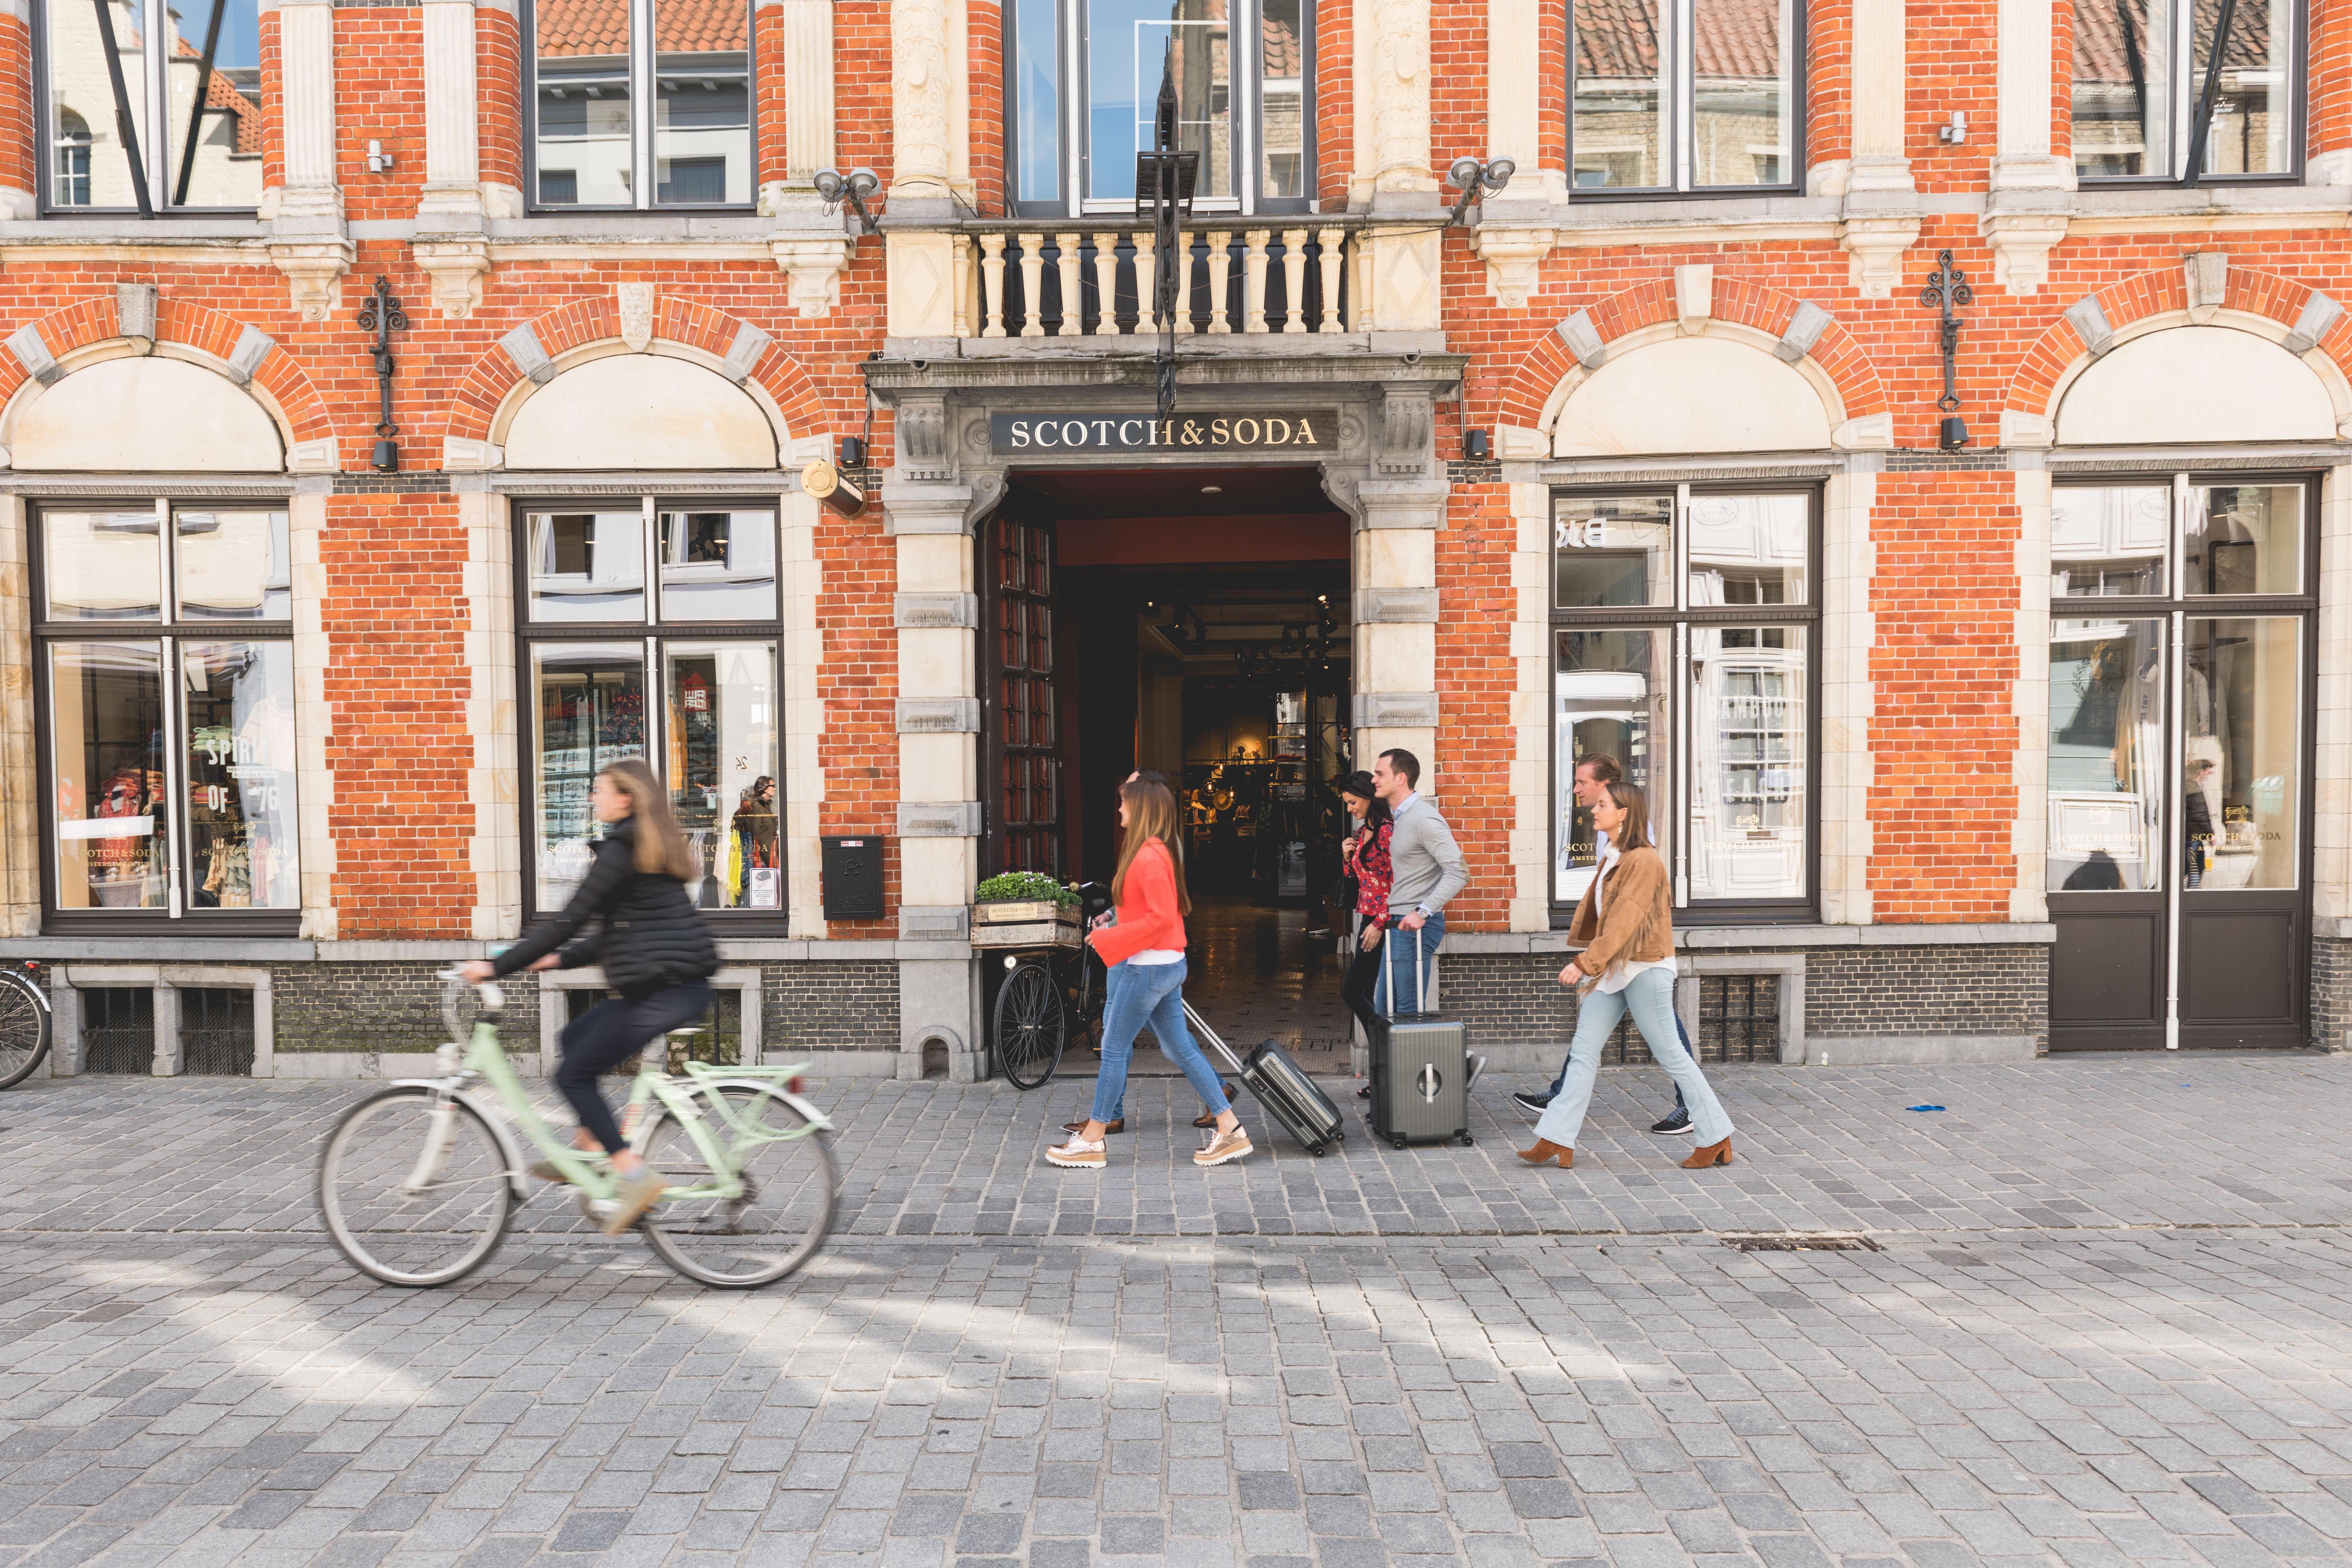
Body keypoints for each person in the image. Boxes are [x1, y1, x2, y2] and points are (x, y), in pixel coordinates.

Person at [459, 757, 719, 1235]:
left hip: (667, 991)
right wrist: (555, 961)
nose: (592, 798)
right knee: (574, 1035)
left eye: (599, 790)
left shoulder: (625, 846)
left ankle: (634, 1176)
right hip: (671, 986)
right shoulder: (645, 844)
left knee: (572, 1074)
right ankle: (589, 1151)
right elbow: (615, 934)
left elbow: (569, 919)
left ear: (626, 797)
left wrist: (497, 967)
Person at [1517, 781, 1736, 1171]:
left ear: (1624, 813)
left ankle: (1716, 1135)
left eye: (1602, 805)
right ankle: (1555, 1139)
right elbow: (1605, 917)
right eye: (1596, 804)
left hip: (1645, 967)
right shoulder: (1614, 854)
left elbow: (1623, 920)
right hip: (1616, 967)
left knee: (1673, 1056)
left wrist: (1584, 962)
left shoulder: (1643, 859)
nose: (1593, 810)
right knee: (1583, 1053)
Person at [1049, 772, 1253, 1170]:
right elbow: (1151, 913)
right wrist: (1113, 923)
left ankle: (1093, 1139)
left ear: (1139, 807)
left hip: (1149, 970)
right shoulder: (1152, 851)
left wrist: (1109, 939)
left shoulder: (1148, 856)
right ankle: (1229, 1128)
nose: (1120, 808)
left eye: (1124, 801)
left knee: (1113, 1048)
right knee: (1177, 1048)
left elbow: (1160, 920)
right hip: (1164, 967)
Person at [1513, 753, 1694, 1135]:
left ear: (1606, 789)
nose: (1577, 790)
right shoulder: (1606, 837)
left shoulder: (1637, 848)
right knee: (1586, 1044)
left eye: (1583, 783)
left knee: (1669, 1043)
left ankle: (1697, 1111)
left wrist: (1586, 961)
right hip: (1616, 961)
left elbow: (1628, 912)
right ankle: (1558, 1123)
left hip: (1638, 959)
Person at [1371, 748, 1465, 1017]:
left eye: (1380, 774)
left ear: (1401, 778)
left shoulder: (1424, 818)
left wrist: (1423, 911)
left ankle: (1437, 1061)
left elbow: (1458, 871)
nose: (1374, 780)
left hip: (1414, 927)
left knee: (1406, 1014)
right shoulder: (1401, 818)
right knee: (1385, 1011)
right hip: (1399, 924)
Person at [1334, 771, 1394, 1044]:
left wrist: (1380, 923)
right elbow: (1361, 881)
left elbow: (1400, 882)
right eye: (1347, 803)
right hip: (1368, 918)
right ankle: (1381, 1073)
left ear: (1368, 798)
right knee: (1364, 993)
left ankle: (1389, 1047)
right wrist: (1347, 859)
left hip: (1381, 923)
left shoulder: (1386, 832)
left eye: (1352, 802)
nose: (1350, 808)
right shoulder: (1362, 832)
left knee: (1352, 992)